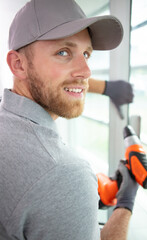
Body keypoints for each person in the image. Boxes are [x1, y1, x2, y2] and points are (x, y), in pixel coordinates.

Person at [0, 0, 138, 239]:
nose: (86, 71)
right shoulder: (64, 172)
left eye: (86, 54)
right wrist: (125, 203)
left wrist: (77, 207)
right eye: (63, 52)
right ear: (18, 65)